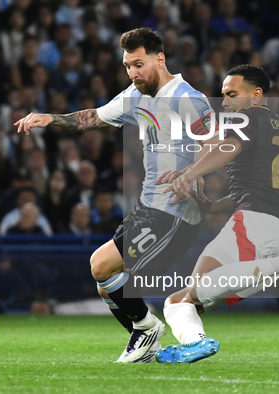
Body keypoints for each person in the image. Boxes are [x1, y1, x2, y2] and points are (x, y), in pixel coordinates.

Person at [15, 28, 214, 363]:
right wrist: (50, 118)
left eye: (138, 64)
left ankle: (149, 328)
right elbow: (94, 117)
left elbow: (218, 146)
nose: (133, 73)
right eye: (127, 66)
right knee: (105, 284)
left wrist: (195, 176)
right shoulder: (135, 97)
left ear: (160, 59)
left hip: (174, 212)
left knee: (101, 265)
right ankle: (147, 343)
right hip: (147, 206)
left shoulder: (187, 98)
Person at [154, 65, 279, 364]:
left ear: (256, 95)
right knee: (181, 300)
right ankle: (196, 342)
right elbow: (260, 187)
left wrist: (190, 172)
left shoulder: (248, 117)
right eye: (223, 95)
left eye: (232, 94)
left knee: (191, 294)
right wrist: (211, 205)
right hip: (278, 229)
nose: (226, 102)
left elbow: (228, 146)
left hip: (255, 223)